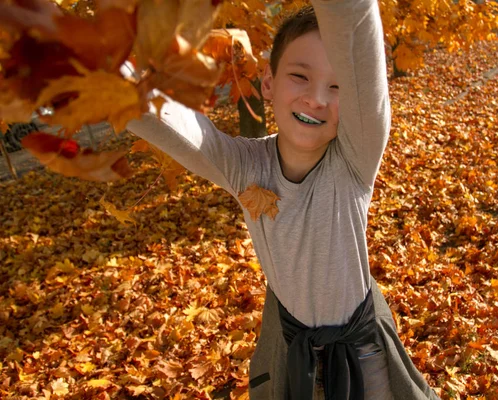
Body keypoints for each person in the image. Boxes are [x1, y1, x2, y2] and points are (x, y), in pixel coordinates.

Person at [127, 0, 440, 399]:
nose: (317, 98)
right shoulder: (245, 167)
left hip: (362, 356)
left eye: (337, 85)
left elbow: (356, 35)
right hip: (293, 351)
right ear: (268, 83)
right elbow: (177, 127)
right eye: (300, 76)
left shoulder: (353, 159)